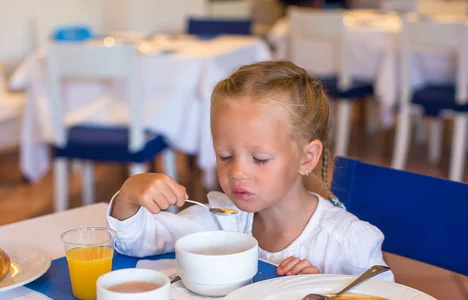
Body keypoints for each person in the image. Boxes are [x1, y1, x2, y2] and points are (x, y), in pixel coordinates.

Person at [107, 60, 392, 280]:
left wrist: (321, 292)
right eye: (225, 155)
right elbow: (135, 242)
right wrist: (129, 196)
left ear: (307, 158)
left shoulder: (347, 243)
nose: (238, 172)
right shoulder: (223, 219)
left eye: (260, 158)